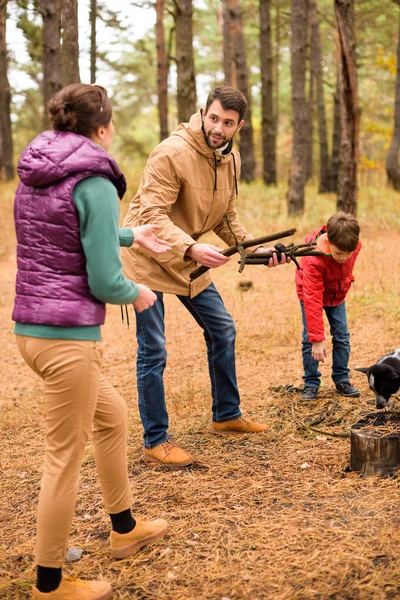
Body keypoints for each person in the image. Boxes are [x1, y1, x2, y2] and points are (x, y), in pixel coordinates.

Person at [12, 83, 171, 600]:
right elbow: (105, 281)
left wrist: (131, 235)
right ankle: (50, 582)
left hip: (32, 333)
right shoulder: (96, 180)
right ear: (102, 128)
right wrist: (138, 291)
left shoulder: (39, 168)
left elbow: (65, 229)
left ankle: (124, 528)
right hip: (67, 342)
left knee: (114, 417)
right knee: (63, 457)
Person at [121, 86, 288, 468]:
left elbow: (227, 217)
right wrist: (193, 248)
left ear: (239, 126)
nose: (218, 128)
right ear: (203, 112)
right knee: (154, 349)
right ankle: (155, 440)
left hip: (186, 259)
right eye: (214, 118)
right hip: (147, 255)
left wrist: (255, 250)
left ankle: (226, 415)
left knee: (223, 328)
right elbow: (152, 217)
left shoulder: (230, 159)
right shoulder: (171, 153)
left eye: (228, 123)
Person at [295, 211, 362, 401]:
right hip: (311, 293)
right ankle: (311, 383)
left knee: (342, 336)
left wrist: (347, 278)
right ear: (329, 241)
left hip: (336, 295)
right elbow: (313, 298)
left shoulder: (354, 246)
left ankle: (342, 379)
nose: (343, 258)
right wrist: (317, 339)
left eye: (348, 253)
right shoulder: (313, 258)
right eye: (339, 253)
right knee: (310, 339)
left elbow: (345, 265)